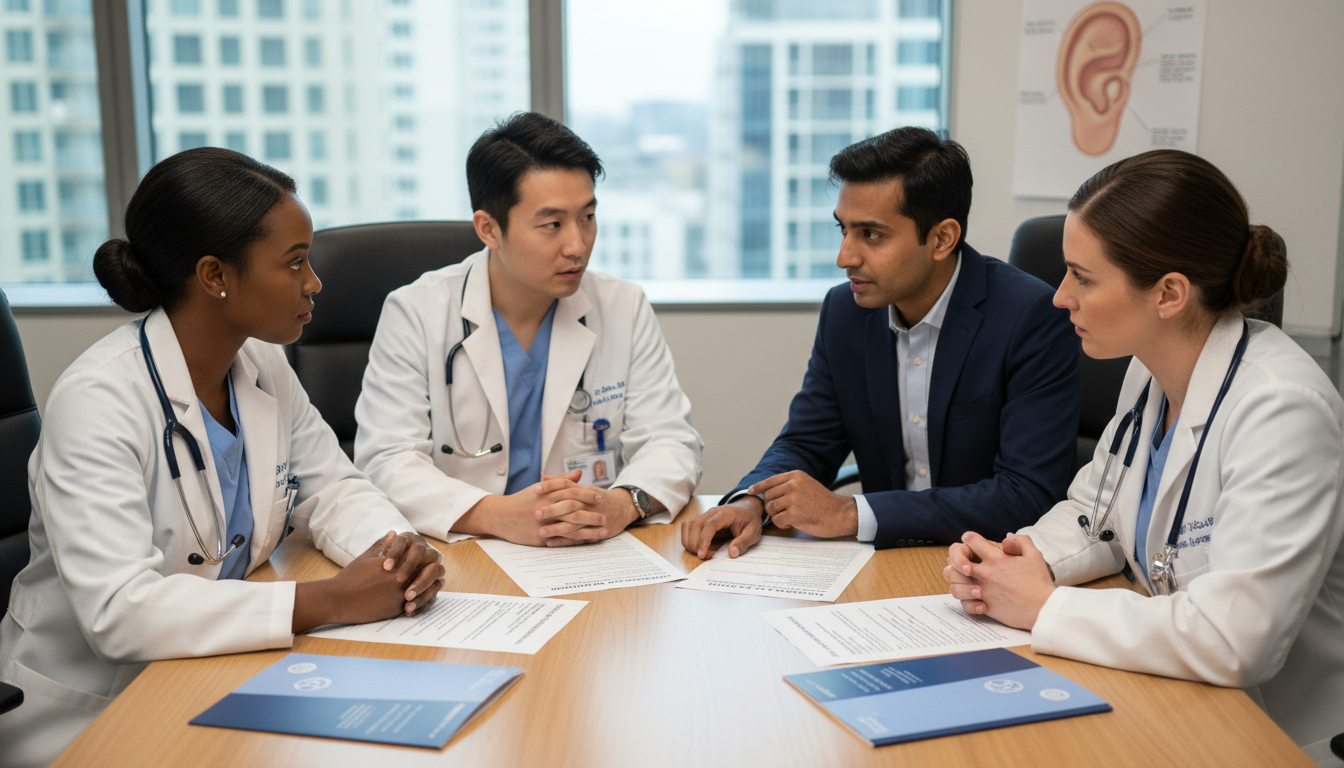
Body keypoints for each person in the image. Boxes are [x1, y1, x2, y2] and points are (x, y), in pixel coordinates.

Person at [0, 148, 445, 768]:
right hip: (98, 711)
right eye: (294, 262)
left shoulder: (260, 362)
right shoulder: (98, 400)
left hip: (220, 670)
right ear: (215, 275)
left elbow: (333, 487)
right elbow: (120, 612)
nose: (314, 283)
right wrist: (335, 599)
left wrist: (393, 553)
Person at [943, 150, 1344, 766]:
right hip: (1176, 699)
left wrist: (1044, 605)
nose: (1059, 297)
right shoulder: (1149, 372)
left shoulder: (1281, 408)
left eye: (1082, 277)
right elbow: (1097, 509)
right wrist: (1017, 562)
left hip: (1273, 735)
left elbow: (1235, 639)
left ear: (1169, 294)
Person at [682, 126, 1080, 559]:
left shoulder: (1030, 317)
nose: (845, 257)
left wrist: (850, 513)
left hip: (989, 561)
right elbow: (807, 442)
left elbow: (1027, 494)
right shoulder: (845, 312)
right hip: (882, 562)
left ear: (942, 239)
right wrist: (752, 502)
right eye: (843, 229)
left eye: (871, 234)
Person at [355, 112, 703, 548]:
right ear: (489, 229)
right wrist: (498, 515)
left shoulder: (623, 306)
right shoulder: (416, 312)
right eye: (552, 225)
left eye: (588, 217)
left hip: (589, 551)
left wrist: (621, 504)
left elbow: (671, 440)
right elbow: (386, 460)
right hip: (466, 550)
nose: (578, 245)